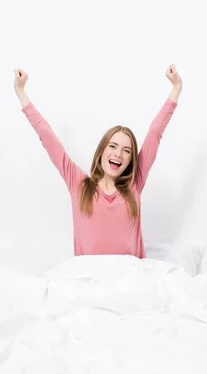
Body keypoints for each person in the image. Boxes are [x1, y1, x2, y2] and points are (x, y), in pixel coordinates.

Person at [14, 64, 182, 259]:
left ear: (130, 160)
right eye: (112, 146)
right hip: (89, 280)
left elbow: (155, 133)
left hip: (130, 279)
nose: (118, 154)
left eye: (126, 150)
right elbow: (47, 137)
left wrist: (176, 88)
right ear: (101, 151)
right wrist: (20, 91)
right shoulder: (79, 184)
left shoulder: (134, 184)